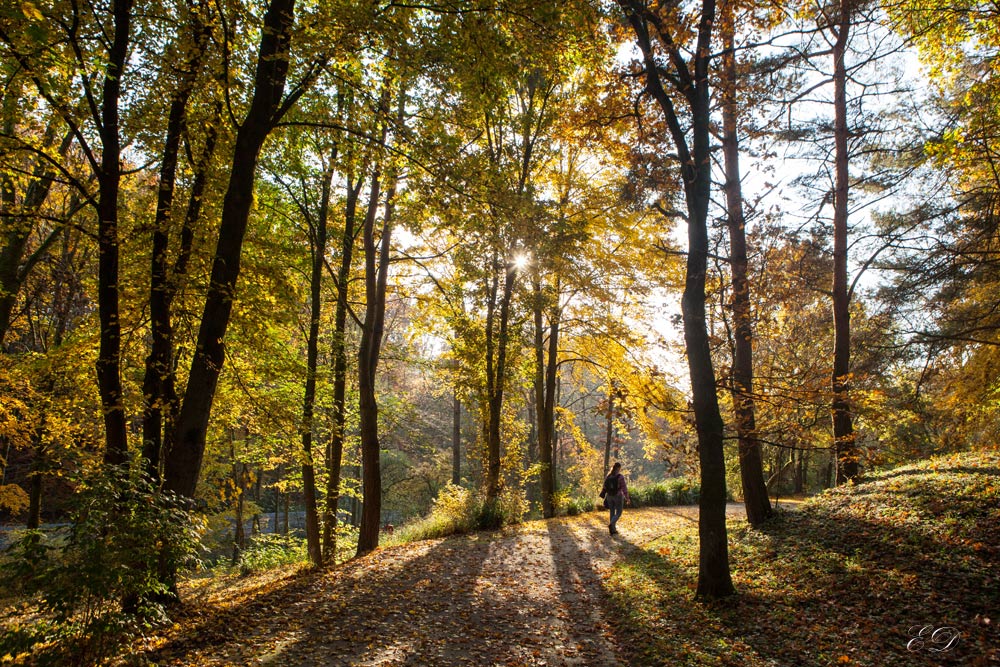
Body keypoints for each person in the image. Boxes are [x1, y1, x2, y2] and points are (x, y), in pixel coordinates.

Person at [603, 462, 630, 535]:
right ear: (619, 468)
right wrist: (627, 498)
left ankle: (613, 530)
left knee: (612, 512)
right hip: (617, 496)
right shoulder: (620, 477)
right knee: (619, 512)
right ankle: (611, 524)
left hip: (609, 496)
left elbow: (604, 486)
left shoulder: (608, 476)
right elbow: (624, 488)